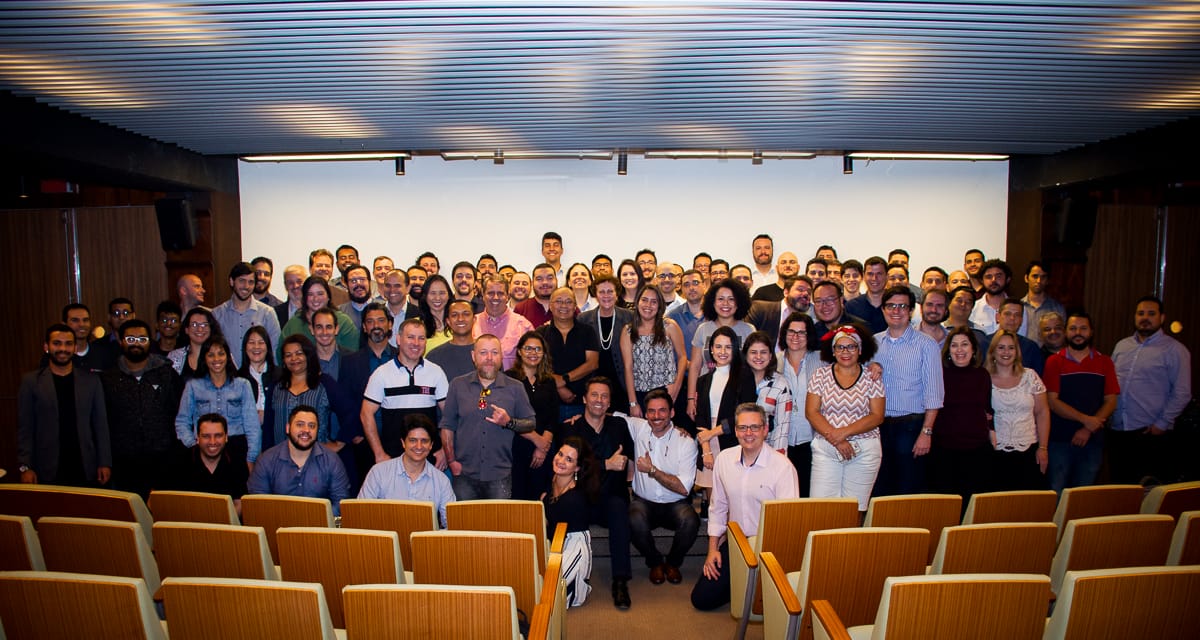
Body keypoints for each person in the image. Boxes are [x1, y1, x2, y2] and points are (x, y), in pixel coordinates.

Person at [692, 403, 798, 611]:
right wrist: (713, 550)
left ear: (765, 430)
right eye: (742, 428)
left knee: (765, 604)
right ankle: (743, 584)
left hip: (768, 548)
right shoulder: (724, 459)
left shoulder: (783, 467)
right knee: (702, 599)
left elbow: (789, 522)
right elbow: (718, 508)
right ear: (736, 430)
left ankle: (748, 585)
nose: (748, 433)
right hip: (737, 543)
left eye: (755, 427)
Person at [555, 377, 636, 610]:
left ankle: (620, 581)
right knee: (568, 505)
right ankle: (566, 573)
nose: (599, 400)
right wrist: (606, 464)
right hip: (582, 498)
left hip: (611, 497)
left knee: (619, 508)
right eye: (594, 395)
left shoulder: (619, 426)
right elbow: (569, 466)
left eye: (604, 396)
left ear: (609, 402)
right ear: (584, 399)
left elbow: (630, 457)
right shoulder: (571, 428)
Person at [439, 335, 538, 500]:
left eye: (494, 352)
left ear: (501, 356)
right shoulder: (458, 385)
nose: (489, 358)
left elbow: (531, 424)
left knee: (498, 518)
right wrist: (451, 462)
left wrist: (509, 422)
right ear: (474, 356)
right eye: (483, 352)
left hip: (500, 475)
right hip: (463, 474)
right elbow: (447, 426)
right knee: (464, 517)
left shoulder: (515, 387)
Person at [1110, 295, 1191, 484]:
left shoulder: (1175, 350)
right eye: (1141, 313)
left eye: (1151, 314)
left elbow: (1182, 393)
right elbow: (1111, 384)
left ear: (1162, 318)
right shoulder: (1122, 345)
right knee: (1120, 488)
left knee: (1149, 491)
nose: (1145, 318)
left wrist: (1162, 423)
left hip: (1151, 433)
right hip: (1119, 431)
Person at [18, 323, 111, 487]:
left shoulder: (91, 381)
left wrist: (104, 462)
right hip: (46, 468)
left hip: (85, 466)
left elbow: (100, 425)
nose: (63, 349)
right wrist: (25, 467)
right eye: (57, 343)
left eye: (68, 344)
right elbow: (25, 428)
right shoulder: (31, 382)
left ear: (75, 348)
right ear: (46, 347)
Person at [806, 324, 885, 515]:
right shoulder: (820, 375)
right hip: (826, 449)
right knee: (821, 509)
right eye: (840, 347)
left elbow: (877, 416)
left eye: (851, 346)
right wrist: (837, 440)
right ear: (833, 351)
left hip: (864, 452)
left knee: (855, 510)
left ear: (860, 350)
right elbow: (811, 412)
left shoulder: (872, 377)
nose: (845, 352)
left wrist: (843, 433)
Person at [872, 286, 943, 497]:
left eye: (902, 306)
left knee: (907, 490)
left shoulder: (926, 345)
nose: (896, 311)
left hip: (911, 427)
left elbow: (934, 394)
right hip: (878, 426)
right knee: (880, 489)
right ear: (883, 309)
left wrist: (926, 433)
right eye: (891, 306)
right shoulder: (873, 343)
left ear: (911, 310)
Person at [100, 319, 183, 498]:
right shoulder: (109, 378)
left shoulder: (166, 373)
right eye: (130, 339)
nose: (136, 344)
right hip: (124, 460)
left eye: (142, 339)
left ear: (150, 342)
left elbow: (179, 413)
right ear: (121, 341)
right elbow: (103, 420)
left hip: (163, 458)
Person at [624, 389, 699, 586]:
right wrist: (581, 416)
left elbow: (684, 488)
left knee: (691, 520)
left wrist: (652, 471)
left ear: (672, 413)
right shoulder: (639, 427)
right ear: (646, 414)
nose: (656, 416)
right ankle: (655, 562)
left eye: (662, 410)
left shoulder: (686, 442)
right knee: (632, 517)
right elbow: (607, 415)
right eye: (651, 411)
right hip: (644, 502)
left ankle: (673, 563)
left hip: (676, 503)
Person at [1043, 312, 1119, 495]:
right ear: (1066, 332)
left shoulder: (1105, 362)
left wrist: (1087, 429)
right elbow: (1052, 401)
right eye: (1073, 328)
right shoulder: (1054, 361)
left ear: (1091, 332)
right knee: (1056, 492)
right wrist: (1086, 420)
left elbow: (1111, 401)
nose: (1078, 333)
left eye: (1083, 328)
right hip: (1059, 441)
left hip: (1092, 441)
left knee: (1083, 495)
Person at [262, 334, 359, 470]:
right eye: (288, 355)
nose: (294, 358)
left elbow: (351, 412)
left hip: (317, 462)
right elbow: (268, 428)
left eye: (299, 353)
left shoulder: (324, 384)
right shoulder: (276, 387)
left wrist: (339, 443)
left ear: (308, 355)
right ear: (283, 360)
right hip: (280, 463)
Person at [360, 317, 448, 465]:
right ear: (398, 339)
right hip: (392, 459)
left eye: (421, 338)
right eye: (410, 337)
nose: (416, 343)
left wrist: (445, 450)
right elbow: (365, 414)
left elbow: (449, 415)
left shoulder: (436, 372)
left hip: (429, 460)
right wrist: (379, 453)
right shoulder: (381, 374)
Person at [928, 326, 994, 506]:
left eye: (964, 344)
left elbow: (987, 409)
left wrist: (992, 432)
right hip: (944, 451)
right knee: (946, 505)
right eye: (954, 345)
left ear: (973, 349)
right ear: (948, 350)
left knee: (973, 505)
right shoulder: (939, 374)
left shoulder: (983, 375)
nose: (959, 350)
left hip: (976, 450)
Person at [175, 336, 261, 469]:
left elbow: (253, 426)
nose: (216, 359)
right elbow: (182, 421)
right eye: (211, 355)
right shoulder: (193, 386)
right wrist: (193, 445)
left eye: (221, 354)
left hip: (236, 448)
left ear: (228, 357)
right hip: (204, 448)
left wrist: (251, 457)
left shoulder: (242, 385)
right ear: (204, 358)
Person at [248, 404, 351, 515]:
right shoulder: (266, 460)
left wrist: (315, 518)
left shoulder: (332, 461)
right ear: (288, 428)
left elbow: (341, 503)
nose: (306, 430)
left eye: (312, 426)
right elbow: (258, 505)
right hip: (278, 524)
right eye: (300, 425)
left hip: (318, 524)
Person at [358, 415, 456, 527]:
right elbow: (361, 514)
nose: (419, 446)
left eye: (424, 441)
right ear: (403, 443)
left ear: (431, 445)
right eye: (413, 440)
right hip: (387, 537)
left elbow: (451, 524)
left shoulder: (441, 480)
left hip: (424, 538)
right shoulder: (378, 473)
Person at [986, 330, 1050, 490]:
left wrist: (1043, 448)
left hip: (1029, 451)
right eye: (1001, 347)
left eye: (1011, 348)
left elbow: (1042, 413)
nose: (1006, 352)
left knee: (1027, 501)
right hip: (994, 452)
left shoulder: (1030, 376)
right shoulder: (983, 378)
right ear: (993, 351)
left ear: (1017, 352)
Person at [542, 435, 600, 607]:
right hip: (553, 540)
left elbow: (557, 530)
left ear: (577, 467)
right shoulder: (553, 479)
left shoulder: (575, 498)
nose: (560, 461)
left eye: (569, 459)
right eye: (560, 454)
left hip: (572, 545)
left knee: (549, 597)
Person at [685, 279, 755, 421]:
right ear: (712, 302)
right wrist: (691, 399)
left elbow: (753, 367)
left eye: (731, 299)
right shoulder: (703, 329)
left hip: (737, 395)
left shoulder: (748, 330)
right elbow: (695, 366)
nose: (725, 304)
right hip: (706, 393)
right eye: (720, 299)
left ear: (739, 303)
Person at [505, 331, 558, 500]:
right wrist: (537, 441)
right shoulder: (508, 379)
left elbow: (553, 416)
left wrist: (543, 446)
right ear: (519, 351)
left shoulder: (549, 381)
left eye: (538, 349)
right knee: (517, 497)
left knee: (540, 496)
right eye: (528, 348)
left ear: (544, 353)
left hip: (545, 448)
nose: (533, 353)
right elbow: (508, 417)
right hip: (516, 446)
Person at [621, 285, 687, 414]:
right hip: (640, 393)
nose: (648, 305)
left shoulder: (669, 326)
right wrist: (633, 402)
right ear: (637, 302)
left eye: (654, 302)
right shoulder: (628, 331)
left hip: (667, 390)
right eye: (644, 300)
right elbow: (628, 367)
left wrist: (676, 386)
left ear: (659, 305)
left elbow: (682, 357)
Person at [777, 311, 822, 495]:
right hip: (783, 438)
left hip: (812, 437)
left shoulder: (822, 360)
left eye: (801, 332)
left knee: (809, 492)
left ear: (809, 335)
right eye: (791, 331)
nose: (796, 336)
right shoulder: (775, 361)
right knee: (786, 492)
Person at [538, 287, 600, 422]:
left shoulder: (587, 331)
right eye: (558, 301)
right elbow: (536, 365)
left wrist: (564, 379)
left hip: (582, 403)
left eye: (569, 301)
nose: (564, 305)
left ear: (575, 306)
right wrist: (558, 386)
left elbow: (592, 363)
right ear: (550, 306)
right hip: (548, 402)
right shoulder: (540, 333)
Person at [173, 413, 249, 515]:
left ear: (226, 437)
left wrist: (221, 522)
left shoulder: (237, 462)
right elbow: (164, 501)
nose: (212, 442)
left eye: (218, 436)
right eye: (206, 436)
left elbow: (240, 503)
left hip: (226, 522)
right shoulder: (179, 462)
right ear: (197, 438)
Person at [578, 275, 634, 413]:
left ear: (617, 294)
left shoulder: (629, 317)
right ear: (596, 295)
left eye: (610, 291)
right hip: (593, 385)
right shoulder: (583, 319)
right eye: (602, 292)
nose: (606, 295)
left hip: (623, 384)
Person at [211, 261, 281, 367]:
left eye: (251, 282)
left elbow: (275, 350)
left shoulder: (267, 313)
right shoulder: (217, 314)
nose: (246, 286)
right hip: (228, 375)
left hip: (259, 375)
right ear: (231, 281)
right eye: (242, 281)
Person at [280, 276, 359, 354]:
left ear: (328, 296)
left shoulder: (343, 322)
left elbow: (352, 354)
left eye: (320, 294)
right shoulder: (294, 324)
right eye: (310, 294)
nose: (315, 299)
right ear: (304, 298)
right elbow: (281, 354)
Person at [742, 331, 792, 452]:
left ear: (770, 355)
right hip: (738, 449)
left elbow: (782, 427)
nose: (758, 357)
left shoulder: (781, 385)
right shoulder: (736, 381)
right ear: (746, 355)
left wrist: (777, 457)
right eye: (753, 352)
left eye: (763, 352)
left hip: (768, 450)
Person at [473, 275, 534, 370]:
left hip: (514, 379)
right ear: (483, 295)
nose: (495, 297)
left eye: (500, 293)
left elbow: (532, 363)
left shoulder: (523, 325)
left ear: (507, 296)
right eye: (491, 293)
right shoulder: (472, 323)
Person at [167, 306, 221, 380]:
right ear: (186, 329)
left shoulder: (221, 355)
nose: (200, 329)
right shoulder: (174, 356)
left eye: (204, 325)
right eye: (194, 325)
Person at [236, 325, 275, 424]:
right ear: (245, 347)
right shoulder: (237, 378)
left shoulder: (280, 375)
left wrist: (267, 416)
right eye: (251, 342)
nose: (256, 347)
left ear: (268, 347)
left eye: (261, 342)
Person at [417, 274, 453, 352]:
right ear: (425, 296)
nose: (437, 298)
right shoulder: (416, 325)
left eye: (442, 293)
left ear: (449, 295)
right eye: (432, 293)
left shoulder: (458, 323)